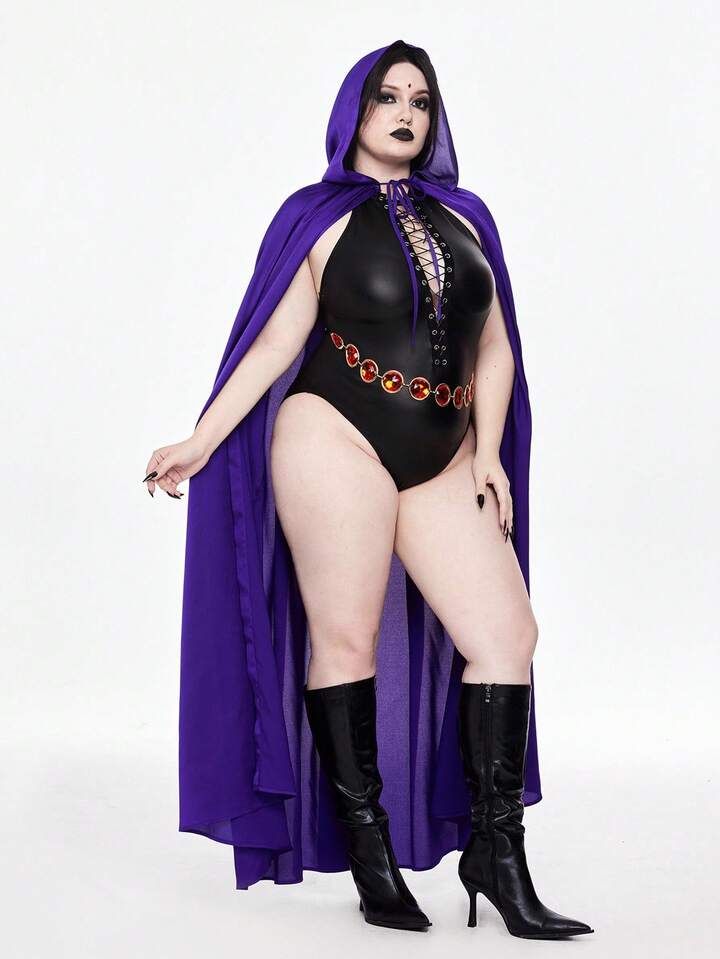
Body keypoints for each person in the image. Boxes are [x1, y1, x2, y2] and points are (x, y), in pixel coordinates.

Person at [142, 40, 593, 939]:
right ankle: (370, 855)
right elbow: (275, 344)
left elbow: (495, 346)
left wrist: (489, 453)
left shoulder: (466, 218)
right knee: (346, 638)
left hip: (444, 453)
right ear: (356, 109)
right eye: (389, 97)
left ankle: (496, 854)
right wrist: (201, 439)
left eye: (421, 101)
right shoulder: (314, 217)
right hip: (333, 434)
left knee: (507, 635)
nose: (406, 113)